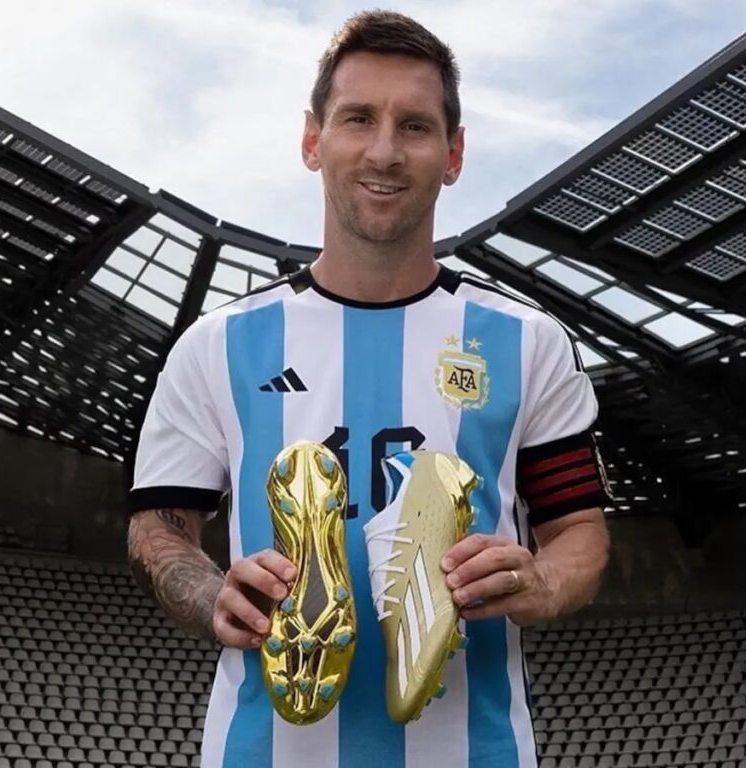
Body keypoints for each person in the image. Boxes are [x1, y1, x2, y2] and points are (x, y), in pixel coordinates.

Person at [127, 10, 611, 768]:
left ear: (453, 155)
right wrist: (212, 591)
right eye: (358, 119)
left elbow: (579, 530)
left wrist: (543, 579)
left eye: (415, 126)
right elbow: (160, 529)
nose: (385, 151)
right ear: (312, 139)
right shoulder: (214, 346)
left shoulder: (529, 343)